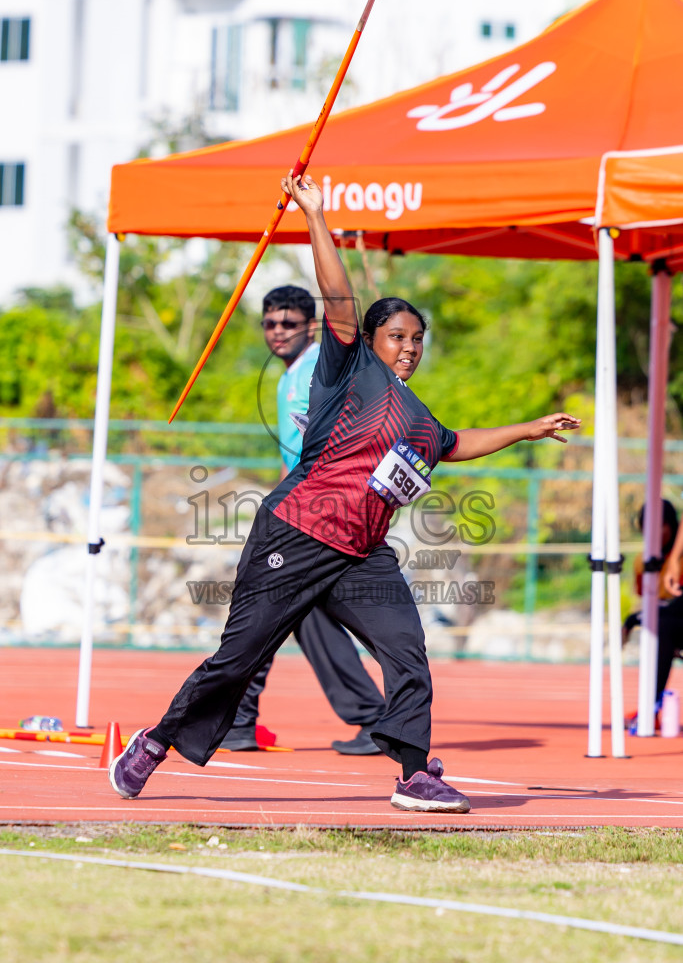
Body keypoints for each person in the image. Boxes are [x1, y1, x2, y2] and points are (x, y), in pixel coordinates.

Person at [109, 171, 580, 813]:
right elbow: (336, 294)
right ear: (372, 338)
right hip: (295, 534)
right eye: (398, 336)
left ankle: (414, 774)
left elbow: (457, 441)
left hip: (361, 555)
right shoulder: (345, 366)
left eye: (417, 340)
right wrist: (315, 215)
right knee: (238, 658)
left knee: (408, 651)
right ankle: (157, 741)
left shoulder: (418, 417)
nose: (409, 348)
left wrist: (532, 427)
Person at [221, 284, 384, 755]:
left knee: (261, 606)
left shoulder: (320, 366)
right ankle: (372, 717)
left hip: (323, 511)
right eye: (270, 323)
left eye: (288, 323)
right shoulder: (286, 376)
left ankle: (238, 719)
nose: (277, 332)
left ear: (310, 326)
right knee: (304, 616)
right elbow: (293, 452)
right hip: (301, 508)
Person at [623, 499, 683, 721]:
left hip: (671, 615)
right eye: (648, 529)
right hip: (668, 622)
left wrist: (632, 621)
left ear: (672, 524)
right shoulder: (643, 561)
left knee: (662, 621)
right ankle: (650, 708)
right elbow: (650, 604)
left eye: (659, 527)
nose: (654, 534)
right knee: (661, 627)